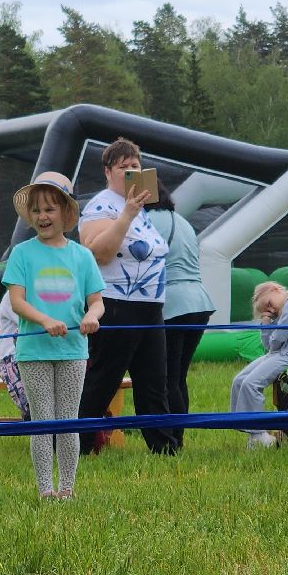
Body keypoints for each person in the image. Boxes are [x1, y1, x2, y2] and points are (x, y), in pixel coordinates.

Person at [3, 171, 104, 499]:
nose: (43, 216)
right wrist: (45, 320)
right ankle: (46, 490)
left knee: (68, 421)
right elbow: (17, 301)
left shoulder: (82, 256)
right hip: (34, 350)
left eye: (50, 208)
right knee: (43, 421)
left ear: (65, 212)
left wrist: (91, 316)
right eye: (36, 210)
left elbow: (97, 302)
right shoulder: (21, 254)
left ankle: (68, 489)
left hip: (74, 349)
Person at [77, 138, 174, 454]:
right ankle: (75, 443)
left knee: (153, 381)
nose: (132, 171)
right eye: (124, 167)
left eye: (136, 166)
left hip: (149, 306)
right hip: (117, 304)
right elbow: (98, 253)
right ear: (108, 172)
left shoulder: (141, 208)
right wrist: (126, 215)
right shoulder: (101, 205)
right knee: (103, 380)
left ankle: (164, 448)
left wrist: (134, 211)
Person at [146, 186, 215, 449]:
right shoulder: (182, 221)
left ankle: (172, 439)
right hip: (199, 302)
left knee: (167, 377)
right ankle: (179, 437)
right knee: (178, 376)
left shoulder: (147, 221)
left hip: (173, 305)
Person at [233, 281, 288, 449]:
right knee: (239, 380)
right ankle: (248, 429)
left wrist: (272, 337)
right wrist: (265, 322)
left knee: (251, 383)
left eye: (270, 304)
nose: (271, 310)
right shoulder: (279, 311)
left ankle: (259, 434)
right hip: (279, 353)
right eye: (265, 310)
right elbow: (268, 345)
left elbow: (277, 340)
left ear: (276, 289)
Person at [0, 300, 31, 421]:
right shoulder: (11, 298)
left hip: (36, 356)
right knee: (31, 407)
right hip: (10, 358)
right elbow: (28, 323)